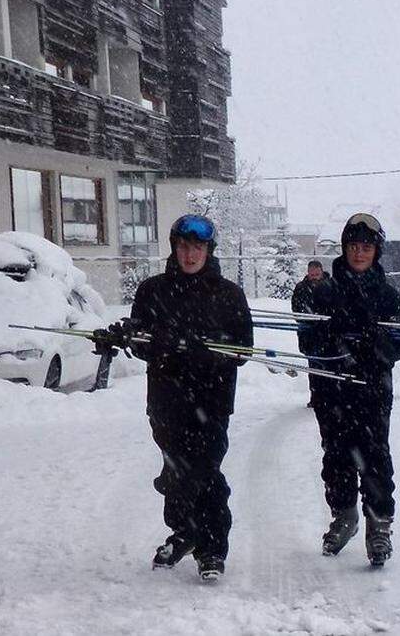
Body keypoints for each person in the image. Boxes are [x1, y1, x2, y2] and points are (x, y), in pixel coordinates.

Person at [128, 214, 253, 582]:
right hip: (166, 402)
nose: (190, 254)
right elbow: (141, 341)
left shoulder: (228, 295)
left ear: (209, 250)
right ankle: (185, 530)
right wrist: (141, 340)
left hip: (211, 403)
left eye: (197, 247)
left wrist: (206, 353)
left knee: (203, 472)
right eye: (184, 246)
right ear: (174, 248)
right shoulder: (153, 290)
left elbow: (243, 348)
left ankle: (211, 548)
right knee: (176, 471)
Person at [316, 213, 400, 567]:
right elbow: (309, 338)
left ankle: (379, 526)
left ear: (376, 251)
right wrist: (335, 343)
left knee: (375, 458)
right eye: (353, 246)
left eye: (366, 247)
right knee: (336, 456)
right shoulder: (325, 290)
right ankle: (344, 515)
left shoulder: (387, 295)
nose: (359, 253)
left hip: (372, 389)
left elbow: (398, 344)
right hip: (333, 388)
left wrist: (374, 346)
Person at [291, 260, 333, 408]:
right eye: (311, 274)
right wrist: (310, 319)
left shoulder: (331, 286)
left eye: (317, 274)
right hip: (309, 336)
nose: (314, 277)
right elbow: (296, 309)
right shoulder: (301, 288)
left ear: (322, 271)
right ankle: (316, 397)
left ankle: (330, 396)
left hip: (329, 336)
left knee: (329, 366)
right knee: (314, 368)